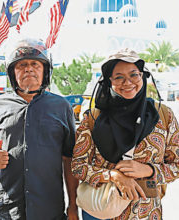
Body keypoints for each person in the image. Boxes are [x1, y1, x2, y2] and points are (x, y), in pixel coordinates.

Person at [0, 39, 79, 220]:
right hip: (6, 209)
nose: (28, 69)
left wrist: (73, 206)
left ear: (45, 71)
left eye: (34, 64)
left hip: (49, 209)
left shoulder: (62, 107)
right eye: (21, 65)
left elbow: (69, 159)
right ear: (12, 72)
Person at [71, 48, 179, 220]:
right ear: (109, 82)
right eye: (119, 77)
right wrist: (112, 176)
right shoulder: (93, 119)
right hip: (103, 212)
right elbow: (78, 167)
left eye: (134, 75)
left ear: (142, 76)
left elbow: (176, 165)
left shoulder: (163, 116)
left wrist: (148, 170)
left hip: (148, 214)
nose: (127, 82)